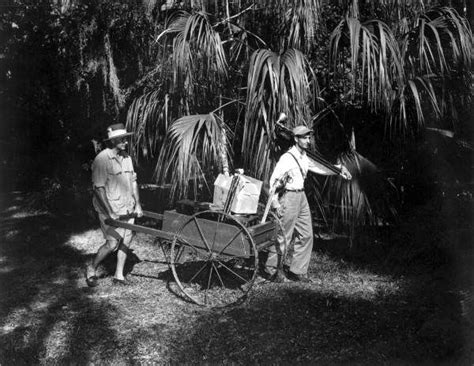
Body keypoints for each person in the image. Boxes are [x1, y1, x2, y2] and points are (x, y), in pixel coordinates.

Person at [266, 125, 352, 282]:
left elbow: (319, 167)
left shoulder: (304, 156)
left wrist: (339, 169)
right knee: (284, 236)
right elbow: (273, 182)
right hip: (289, 197)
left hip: (301, 196)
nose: (308, 140)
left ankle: (297, 271)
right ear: (296, 139)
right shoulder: (287, 158)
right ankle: (272, 271)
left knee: (306, 234)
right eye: (304, 138)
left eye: (308, 137)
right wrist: (275, 204)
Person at [86, 123, 143, 287]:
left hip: (127, 208)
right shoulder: (102, 160)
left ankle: (119, 275)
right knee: (112, 244)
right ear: (112, 141)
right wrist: (110, 212)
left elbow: (133, 182)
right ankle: (91, 268)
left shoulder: (127, 158)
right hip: (109, 209)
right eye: (121, 139)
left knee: (126, 240)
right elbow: (98, 189)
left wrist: (138, 205)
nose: (125, 142)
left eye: (125, 139)